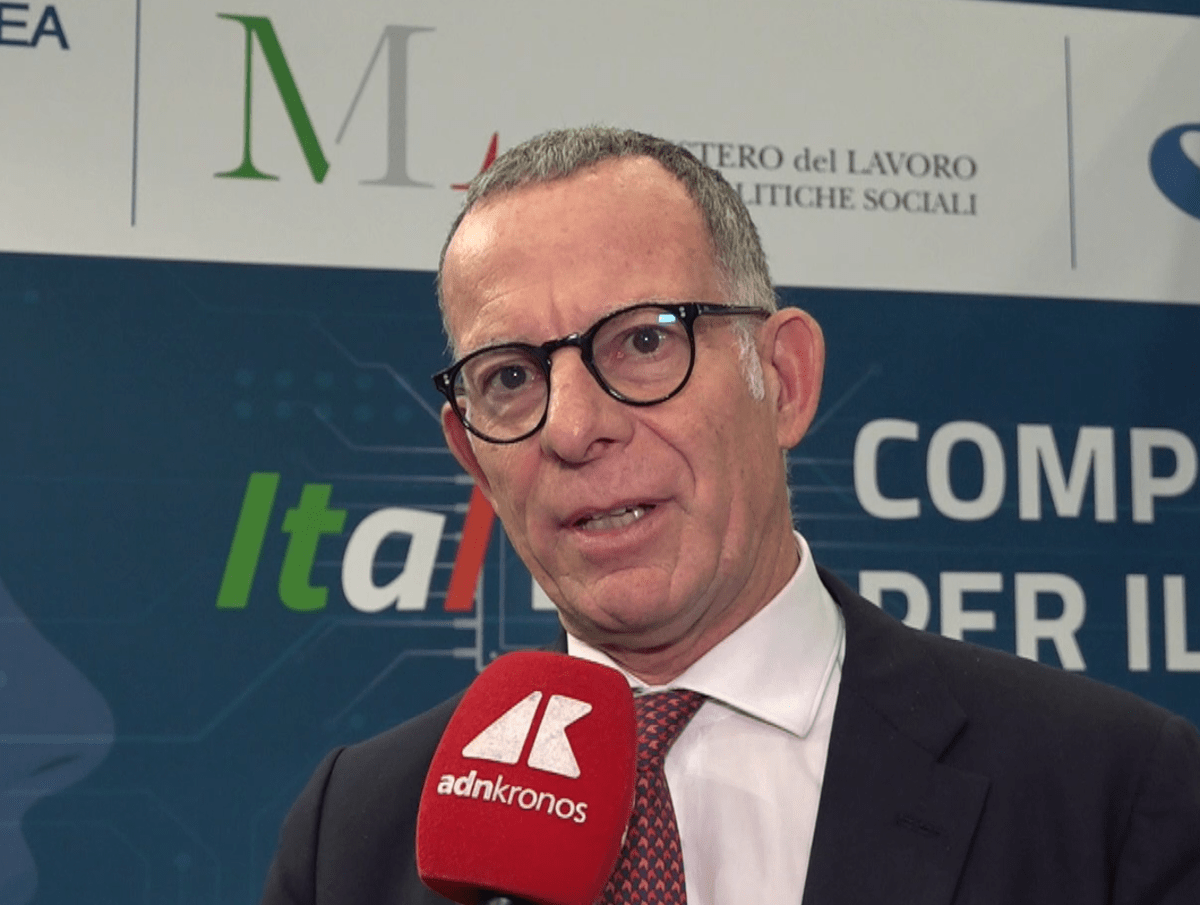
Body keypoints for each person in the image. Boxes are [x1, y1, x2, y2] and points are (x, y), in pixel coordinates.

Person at [260, 127, 1200, 904]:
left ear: (783, 380)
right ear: (473, 454)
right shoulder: (354, 837)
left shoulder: (1111, 792)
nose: (576, 428)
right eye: (510, 376)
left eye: (643, 341)